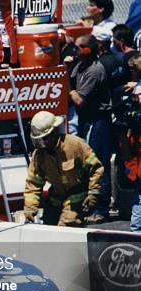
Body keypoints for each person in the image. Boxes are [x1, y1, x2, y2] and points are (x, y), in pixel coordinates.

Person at [24, 111, 104, 227]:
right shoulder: (39, 155)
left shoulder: (75, 145)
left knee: (65, 226)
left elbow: (96, 169)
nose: (42, 144)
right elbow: (33, 183)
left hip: (77, 196)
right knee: (48, 228)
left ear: (54, 133)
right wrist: (30, 209)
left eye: (44, 139)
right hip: (56, 198)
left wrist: (93, 192)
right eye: (39, 140)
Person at [68, 35, 113, 223]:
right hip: (86, 120)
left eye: (79, 47)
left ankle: (101, 209)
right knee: (85, 164)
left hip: (98, 121)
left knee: (98, 163)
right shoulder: (80, 66)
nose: (75, 51)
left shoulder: (95, 70)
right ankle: (89, 204)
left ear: (89, 49)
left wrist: (69, 89)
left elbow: (79, 99)